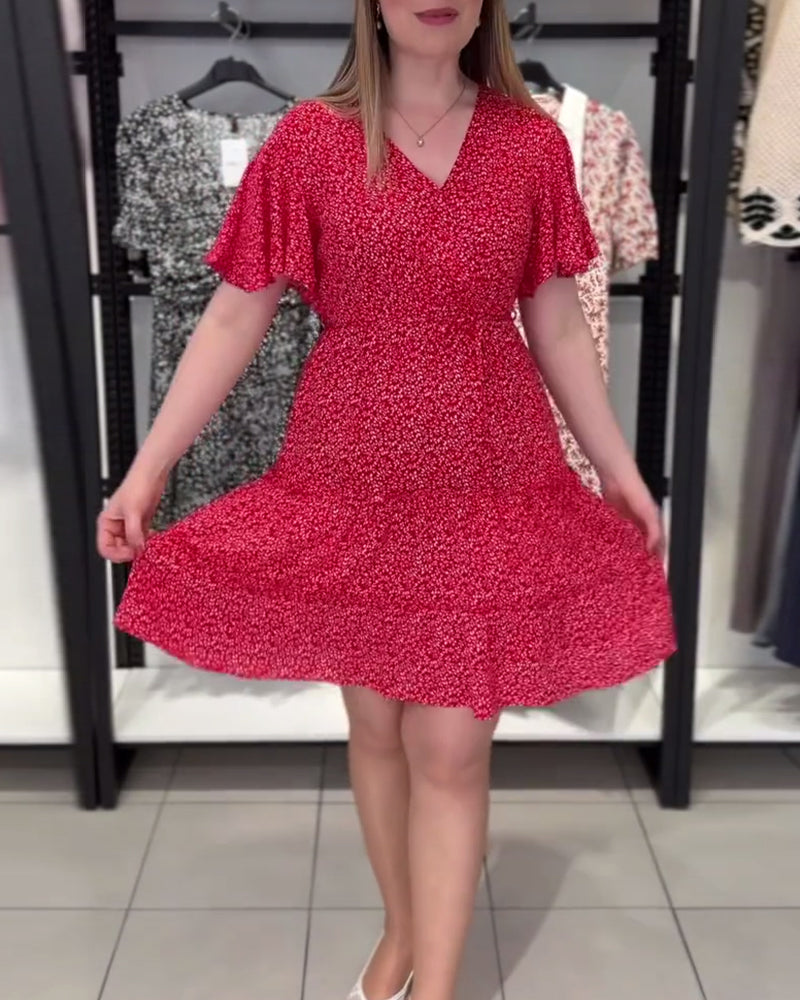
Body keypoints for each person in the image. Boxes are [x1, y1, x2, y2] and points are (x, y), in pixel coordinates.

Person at [97, 2, 676, 998]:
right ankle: (403, 926)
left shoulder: (529, 143)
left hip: (487, 468)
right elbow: (235, 315)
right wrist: (147, 469)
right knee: (376, 728)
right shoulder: (308, 140)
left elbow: (556, 323)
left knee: (448, 743)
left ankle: (436, 984)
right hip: (348, 470)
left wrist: (617, 468)